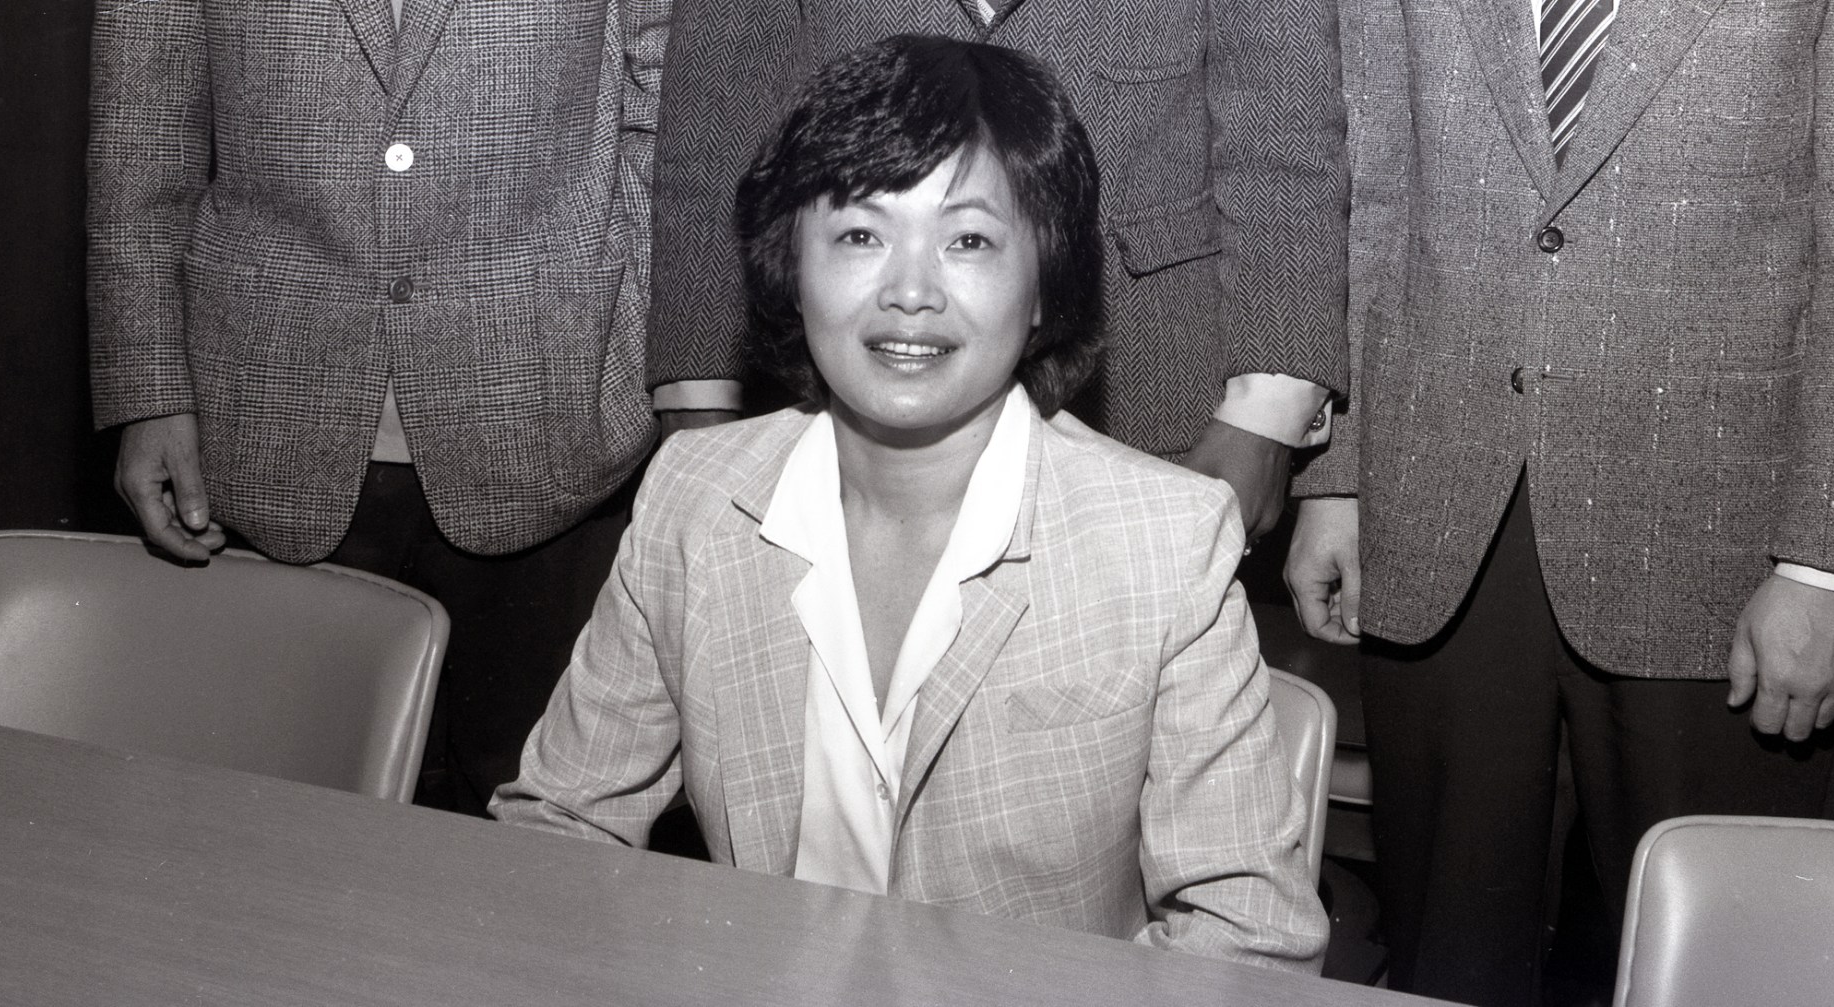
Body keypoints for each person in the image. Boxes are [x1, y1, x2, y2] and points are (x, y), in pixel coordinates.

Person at [494, 36, 1329, 971]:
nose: (909, 292)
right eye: (860, 234)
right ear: (789, 267)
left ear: (1045, 285)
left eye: (968, 239)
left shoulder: (1165, 543)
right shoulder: (695, 500)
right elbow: (559, 824)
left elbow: (1250, 938)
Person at [1286, 0, 1834, 1003]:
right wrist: (1335, 475)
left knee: (1729, 967)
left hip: (1727, 548)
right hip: (1436, 508)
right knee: (1443, 962)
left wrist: (1829, 564)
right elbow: (1371, 188)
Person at [86, 0, 669, 814]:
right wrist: (147, 389)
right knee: (267, 826)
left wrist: (631, 333)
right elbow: (142, 134)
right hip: (264, 428)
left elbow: (666, 104)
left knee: (533, 844)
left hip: (554, 419)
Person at [643, 0, 1345, 542]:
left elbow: (1282, 137)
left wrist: (1266, 417)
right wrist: (700, 411)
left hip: (1157, 414)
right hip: (842, 428)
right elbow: (714, 123)